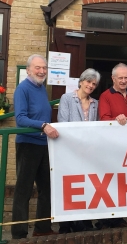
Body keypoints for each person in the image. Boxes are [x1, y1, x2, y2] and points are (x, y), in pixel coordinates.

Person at [12, 54, 59, 239]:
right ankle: (19, 232)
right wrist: (42, 125)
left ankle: (42, 227)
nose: (41, 71)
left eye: (44, 68)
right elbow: (20, 118)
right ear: (29, 69)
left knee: (46, 187)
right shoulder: (22, 89)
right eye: (38, 68)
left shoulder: (41, 88)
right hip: (28, 144)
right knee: (23, 190)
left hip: (44, 144)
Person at [57, 68, 100, 233]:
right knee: (70, 185)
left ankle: (83, 220)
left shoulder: (95, 103)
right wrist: (77, 145)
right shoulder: (67, 98)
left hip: (88, 152)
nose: (90, 86)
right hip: (70, 149)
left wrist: (89, 146)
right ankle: (66, 223)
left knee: (85, 185)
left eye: (94, 84)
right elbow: (63, 122)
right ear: (81, 81)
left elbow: (95, 127)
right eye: (88, 82)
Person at [97, 63, 127, 229]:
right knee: (110, 183)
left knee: (125, 183)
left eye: (126, 77)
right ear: (113, 78)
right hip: (111, 146)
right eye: (119, 77)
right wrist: (115, 120)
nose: (123, 81)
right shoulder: (105, 96)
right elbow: (103, 118)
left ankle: (120, 218)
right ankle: (106, 220)